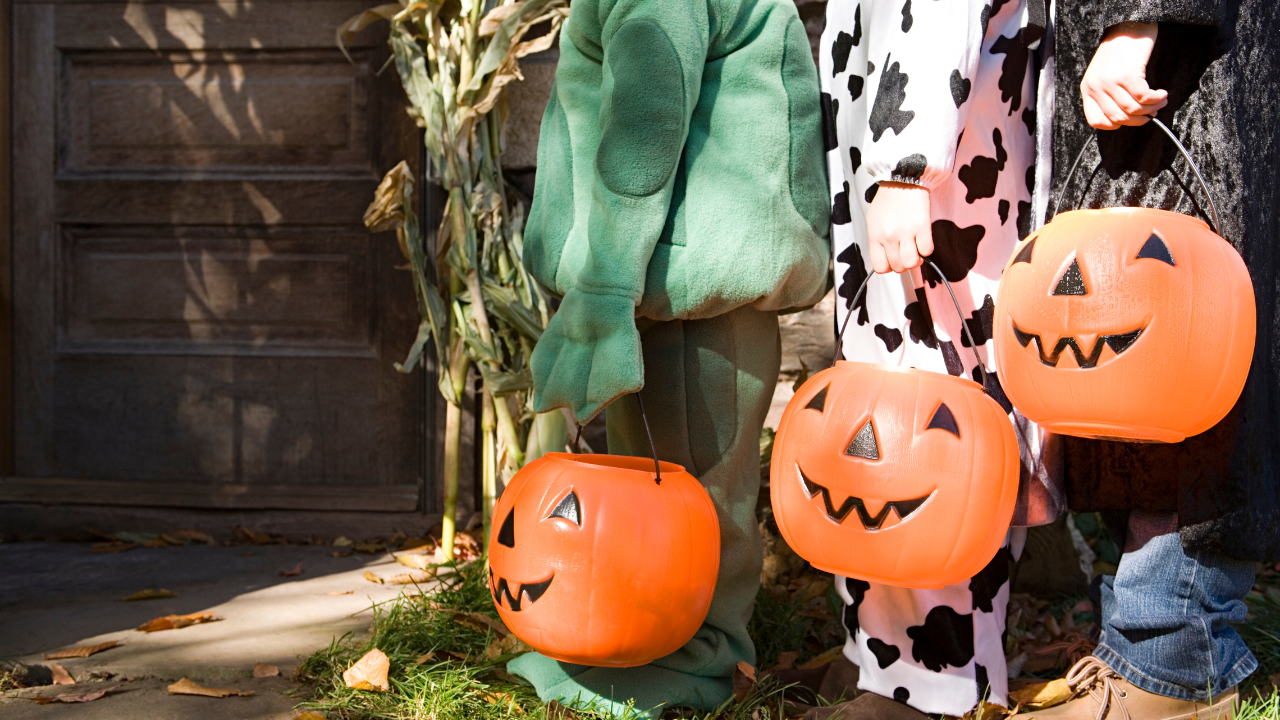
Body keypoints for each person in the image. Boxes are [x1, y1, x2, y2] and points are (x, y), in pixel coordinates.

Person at [510, 0, 831, 717]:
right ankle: (667, 645)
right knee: (681, 488)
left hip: (676, 284)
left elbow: (645, 132)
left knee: (692, 497)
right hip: (681, 283)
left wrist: (603, 284)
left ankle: (692, 663)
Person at [1017, 1, 1280, 717]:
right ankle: (1141, 648)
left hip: (1179, 64)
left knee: (1181, 352)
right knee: (1130, 383)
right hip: (1158, 69)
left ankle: (1173, 663)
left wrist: (1138, 19)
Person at [810, 0, 1051, 718]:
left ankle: (925, 679)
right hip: (926, 170)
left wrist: (906, 168)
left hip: (941, 186)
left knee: (922, 420)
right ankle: (883, 656)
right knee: (903, 409)